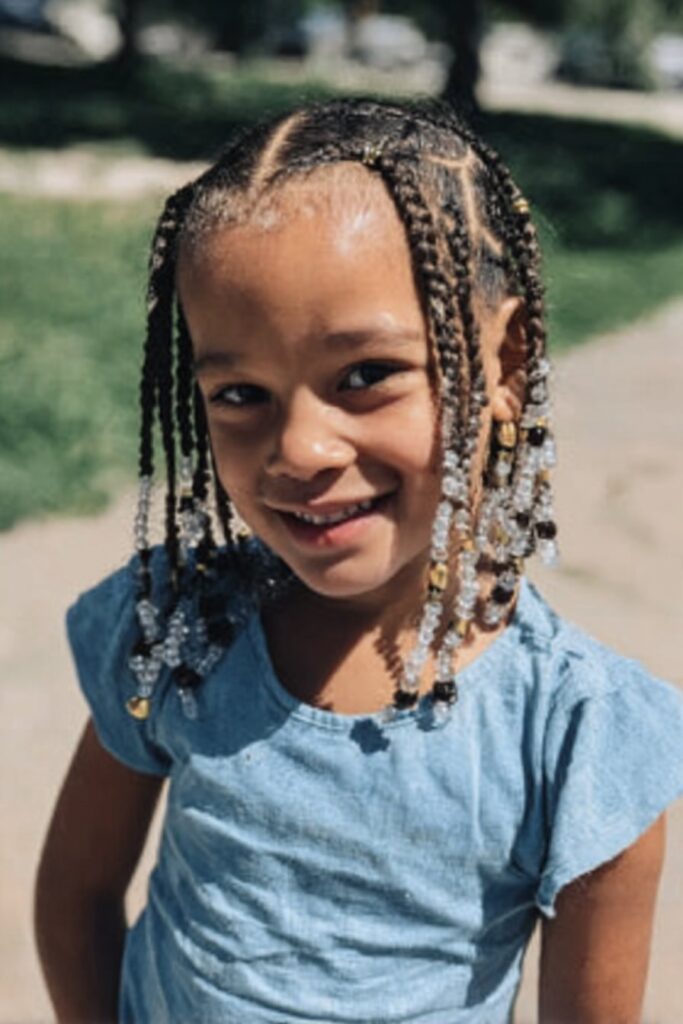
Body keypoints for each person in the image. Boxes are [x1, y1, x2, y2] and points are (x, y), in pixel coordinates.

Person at [34, 97, 683, 1024]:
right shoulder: (181, 630)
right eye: (241, 392)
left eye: (364, 376)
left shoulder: (576, 734)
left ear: (504, 360)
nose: (299, 449)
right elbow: (77, 894)